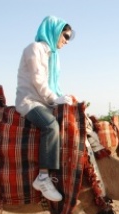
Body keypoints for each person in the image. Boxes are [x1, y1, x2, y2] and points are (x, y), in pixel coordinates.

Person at [15, 16, 75, 202]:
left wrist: (63, 98)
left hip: (44, 102)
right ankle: (42, 177)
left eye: (69, 38)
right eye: (65, 36)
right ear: (55, 32)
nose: (66, 41)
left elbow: (52, 86)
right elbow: (39, 81)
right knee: (50, 125)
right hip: (30, 101)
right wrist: (55, 99)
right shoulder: (35, 49)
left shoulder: (51, 55)